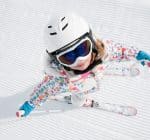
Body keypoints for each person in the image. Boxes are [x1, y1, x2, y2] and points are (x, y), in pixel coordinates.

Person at [16, 13, 150, 117]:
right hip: (80, 89)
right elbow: (43, 91)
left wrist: (139, 55)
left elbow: (121, 50)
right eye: (68, 57)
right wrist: (30, 104)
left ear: (91, 41)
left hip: (97, 74)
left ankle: (99, 70)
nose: (79, 60)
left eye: (82, 49)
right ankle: (81, 100)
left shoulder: (102, 51)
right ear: (57, 60)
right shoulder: (60, 80)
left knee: (100, 66)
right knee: (78, 101)